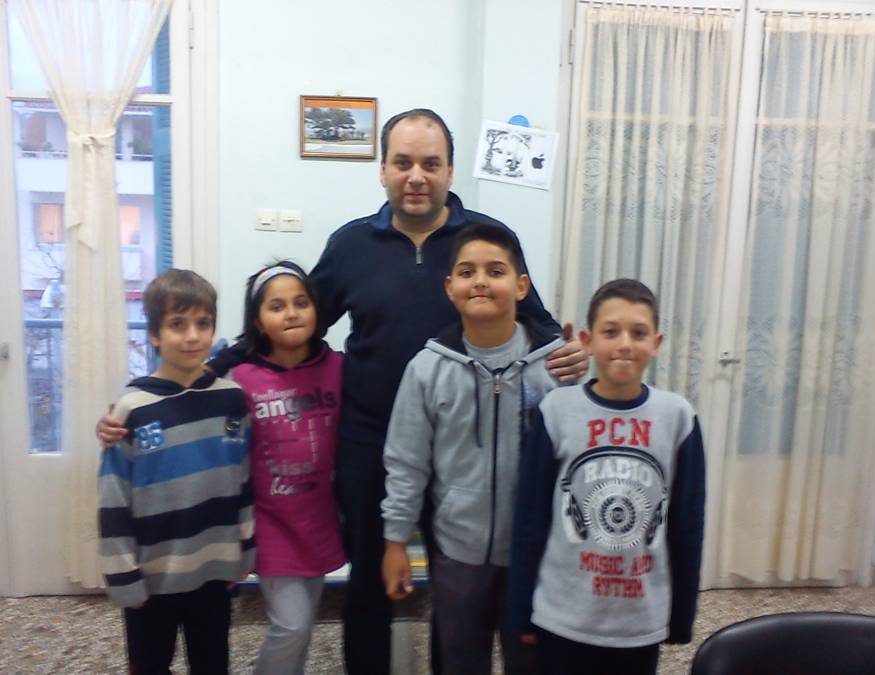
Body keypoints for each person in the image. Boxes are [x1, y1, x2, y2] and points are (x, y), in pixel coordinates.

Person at [98, 108, 588, 675]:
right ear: (383, 170)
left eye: (430, 164)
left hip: (461, 450)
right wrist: (192, 379)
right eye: (403, 163)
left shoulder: (483, 242)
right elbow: (292, 327)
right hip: (369, 443)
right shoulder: (351, 244)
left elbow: (537, 324)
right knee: (371, 583)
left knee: (454, 589)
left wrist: (572, 355)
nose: (416, 176)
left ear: (450, 171)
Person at [381, 223, 563, 675]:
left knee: (532, 660)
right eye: (467, 272)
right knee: (460, 660)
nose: (480, 281)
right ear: (450, 287)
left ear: (521, 286)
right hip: (457, 553)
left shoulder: (555, 367)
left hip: (535, 554)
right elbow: (406, 463)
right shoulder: (427, 369)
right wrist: (396, 541)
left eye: (495, 271)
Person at [507, 279, 706, 675]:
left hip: (639, 622)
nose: (625, 344)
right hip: (561, 616)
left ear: (657, 343)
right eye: (611, 332)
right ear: (588, 340)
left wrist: (681, 614)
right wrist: (521, 610)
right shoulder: (557, 410)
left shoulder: (678, 417)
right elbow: (530, 518)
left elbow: (687, 526)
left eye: (639, 333)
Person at [97, 269, 254, 675]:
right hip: (153, 579)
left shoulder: (232, 399)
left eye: (203, 323)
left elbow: (242, 480)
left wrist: (244, 550)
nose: (192, 336)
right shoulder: (132, 408)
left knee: (212, 663)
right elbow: (114, 498)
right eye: (177, 324)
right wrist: (123, 575)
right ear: (154, 334)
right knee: (151, 665)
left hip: (214, 570)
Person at [230, 261, 345, 674]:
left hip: (319, 521)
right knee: (292, 625)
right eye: (276, 307)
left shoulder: (338, 368)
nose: (292, 313)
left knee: (302, 624)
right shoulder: (240, 378)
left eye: (301, 303)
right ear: (258, 321)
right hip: (270, 524)